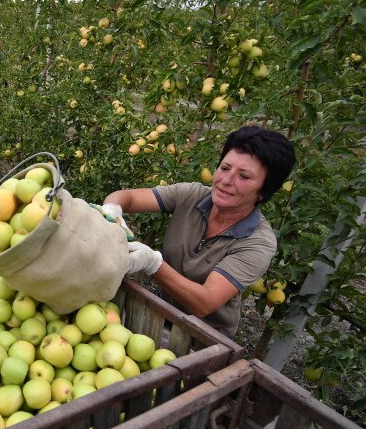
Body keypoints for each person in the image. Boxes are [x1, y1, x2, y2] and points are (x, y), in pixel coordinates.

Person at [102, 126, 296, 339]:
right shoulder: (192, 195)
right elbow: (127, 197)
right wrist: (112, 209)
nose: (226, 180)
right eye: (225, 168)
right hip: (160, 312)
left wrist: (152, 263)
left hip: (203, 338)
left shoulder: (257, 243)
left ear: (264, 191)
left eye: (244, 176)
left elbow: (205, 302)